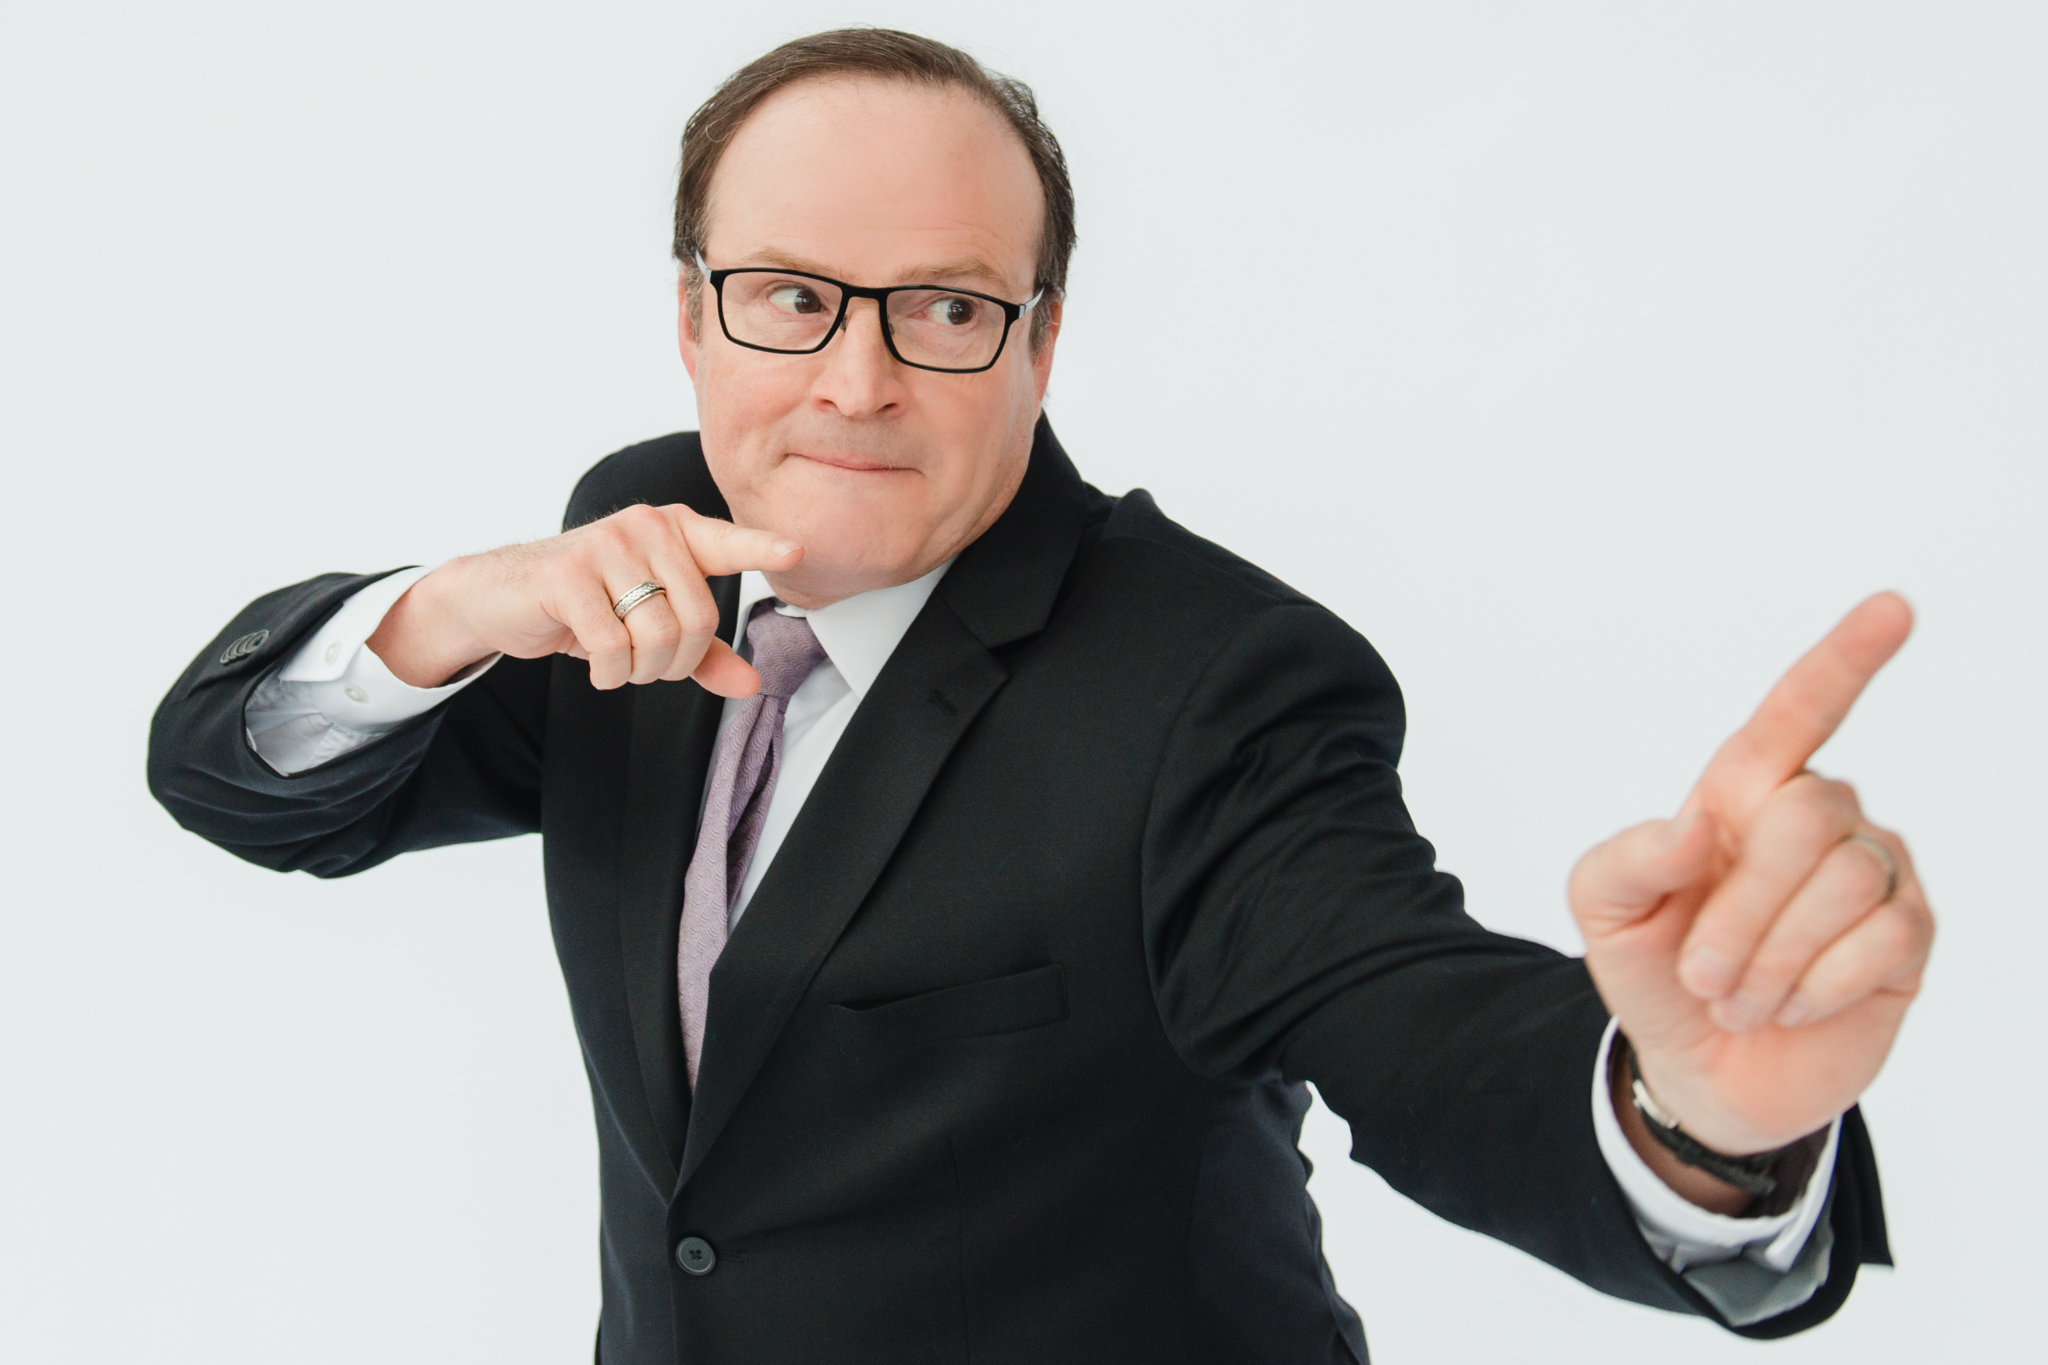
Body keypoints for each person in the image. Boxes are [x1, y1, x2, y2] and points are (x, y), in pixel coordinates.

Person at [148, 28, 1931, 1365]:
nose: (853, 382)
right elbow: (257, 787)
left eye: (942, 308)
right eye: (786, 299)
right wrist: (436, 616)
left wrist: (1690, 1125)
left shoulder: (1219, 685)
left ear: (1043, 337)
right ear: (693, 319)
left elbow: (1400, 1010)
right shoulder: (643, 551)